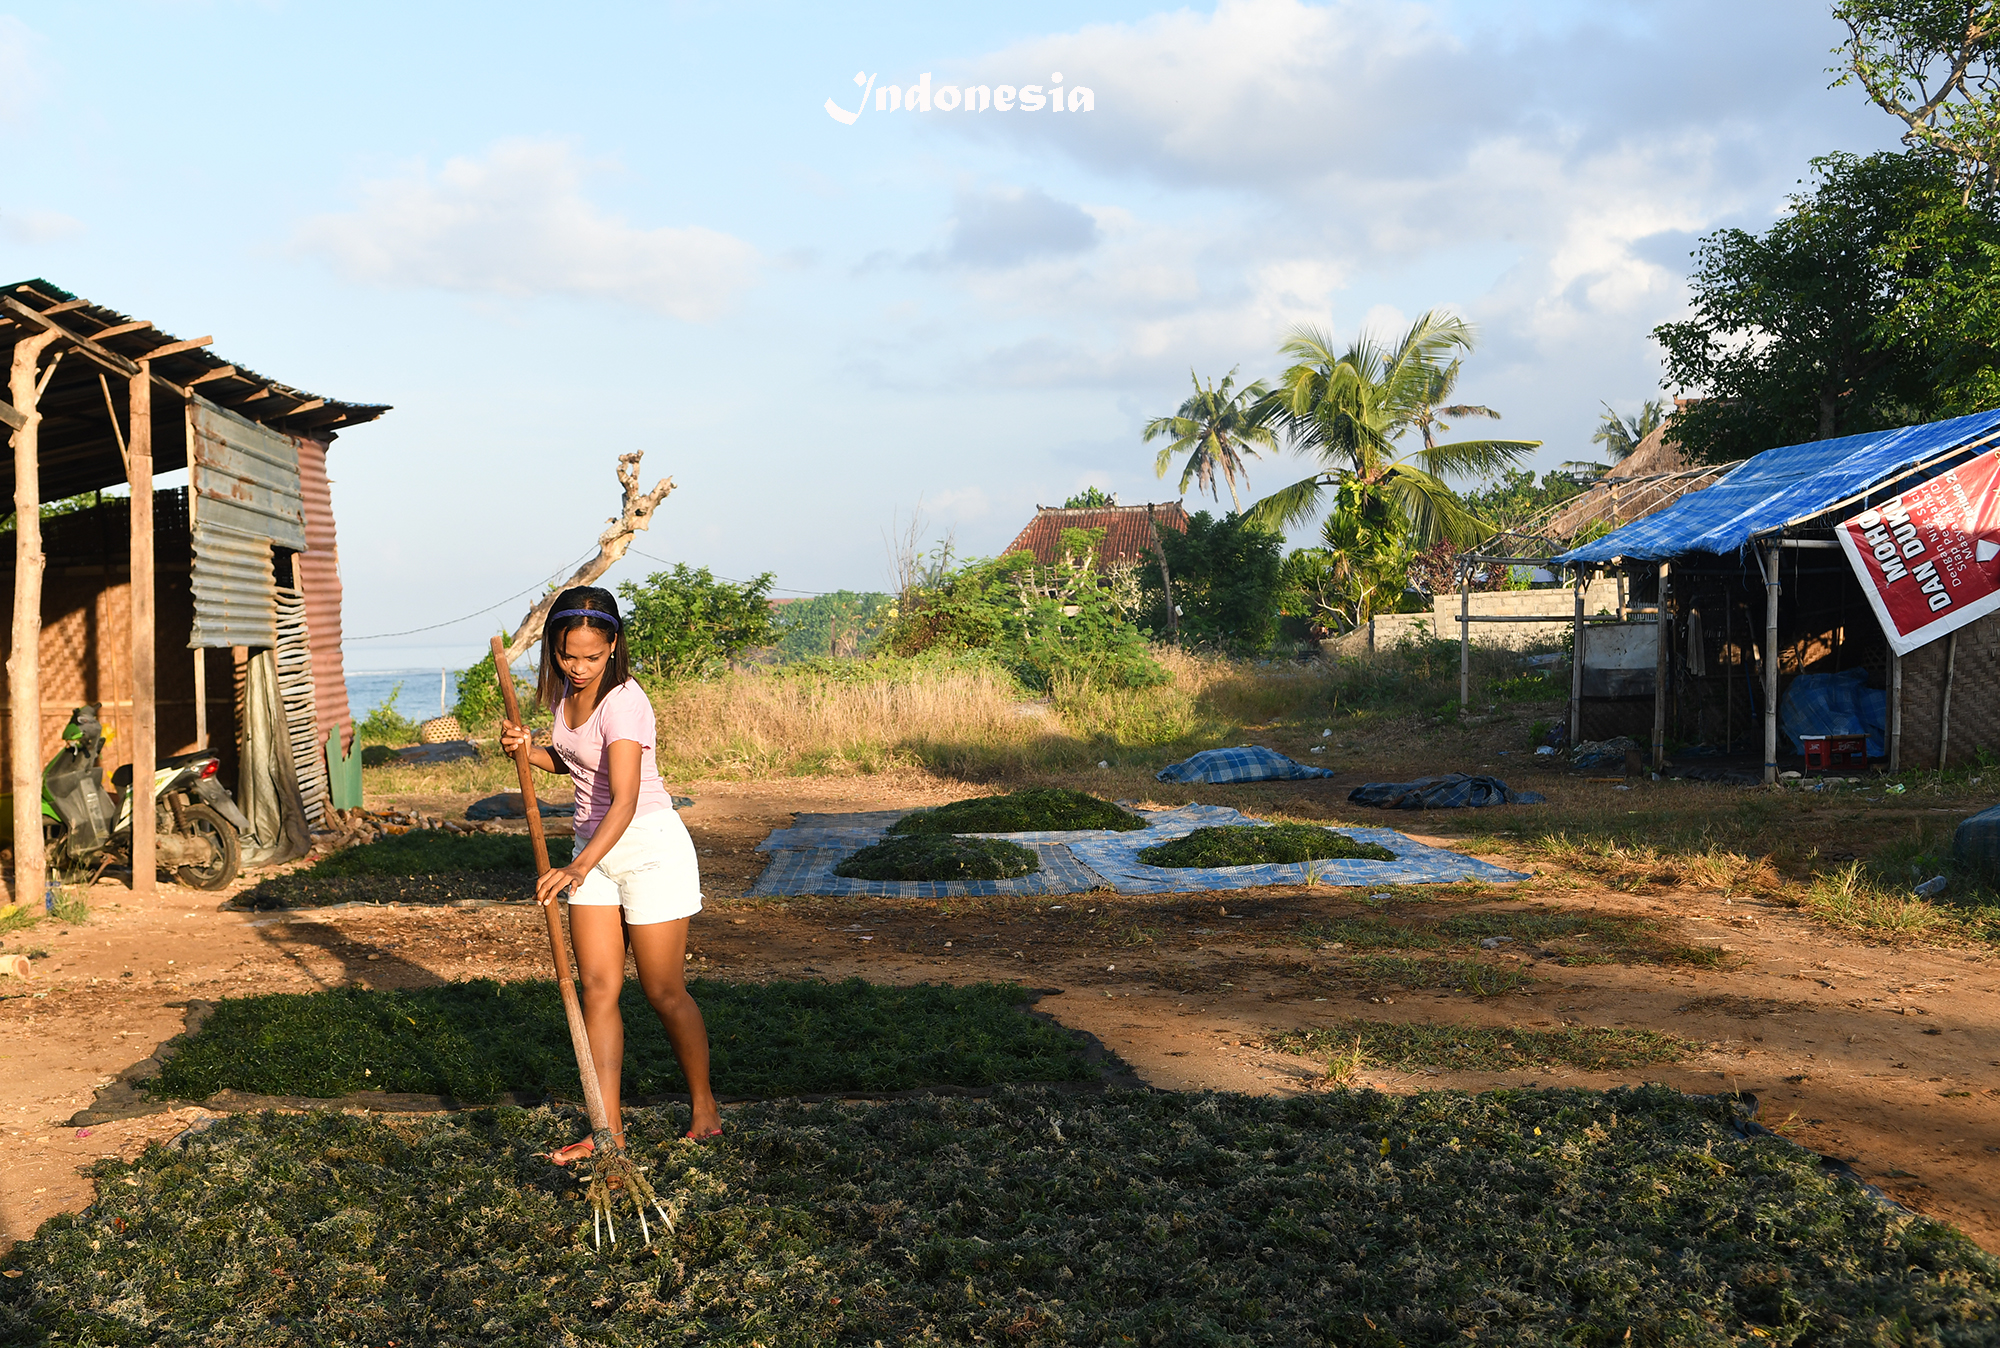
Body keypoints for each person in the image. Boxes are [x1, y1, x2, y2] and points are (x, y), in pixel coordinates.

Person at [498, 585, 722, 1153]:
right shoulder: (564, 698)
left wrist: (575, 867)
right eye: (567, 655)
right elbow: (570, 762)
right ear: (554, 647)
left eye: (591, 656)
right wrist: (528, 748)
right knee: (598, 990)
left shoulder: (625, 701)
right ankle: (608, 1133)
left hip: (646, 847)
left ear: (613, 645)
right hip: (590, 852)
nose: (578, 667)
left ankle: (704, 1107)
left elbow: (622, 798)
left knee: (663, 990)